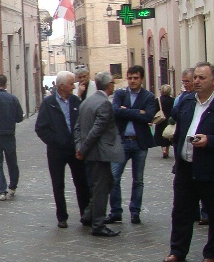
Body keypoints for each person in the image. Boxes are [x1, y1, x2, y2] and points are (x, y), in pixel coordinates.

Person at [163, 63, 214, 262]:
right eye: (195, 77)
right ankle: (177, 251)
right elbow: (179, 129)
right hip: (186, 167)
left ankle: (212, 254)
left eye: (201, 78)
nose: (197, 81)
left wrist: (211, 141)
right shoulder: (186, 102)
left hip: (213, 169)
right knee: (181, 211)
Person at [34, 70, 90, 229]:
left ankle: (85, 214)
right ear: (61, 86)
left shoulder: (75, 101)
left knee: (81, 182)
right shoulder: (49, 103)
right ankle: (62, 216)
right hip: (56, 151)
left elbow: (82, 124)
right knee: (58, 184)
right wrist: (55, 141)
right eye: (71, 83)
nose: (74, 86)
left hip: (75, 150)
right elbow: (40, 128)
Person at [106, 65, 158, 225]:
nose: (132, 81)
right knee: (114, 178)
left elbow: (148, 116)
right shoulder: (120, 94)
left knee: (138, 180)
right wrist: (137, 112)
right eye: (130, 78)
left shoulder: (148, 97)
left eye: (136, 78)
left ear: (141, 79)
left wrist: (127, 110)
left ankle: (135, 211)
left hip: (139, 142)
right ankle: (116, 212)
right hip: (121, 142)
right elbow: (115, 111)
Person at [74, 71, 124, 237]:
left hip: (91, 152)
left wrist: (79, 147)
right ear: (109, 85)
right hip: (99, 153)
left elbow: (77, 128)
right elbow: (96, 130)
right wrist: (83, 149)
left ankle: (89, 214)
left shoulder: (86, 102)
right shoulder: (104, 103)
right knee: (101, 187)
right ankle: (98, 223)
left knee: (107, 182)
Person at [155, 84, 175, 158]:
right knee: (168, 135)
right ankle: (167, 149)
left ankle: (163, 149)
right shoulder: (173, 100)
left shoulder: (158, 100)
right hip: (169, 121)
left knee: (161, 135)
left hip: (161, 120)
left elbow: (155, 110)